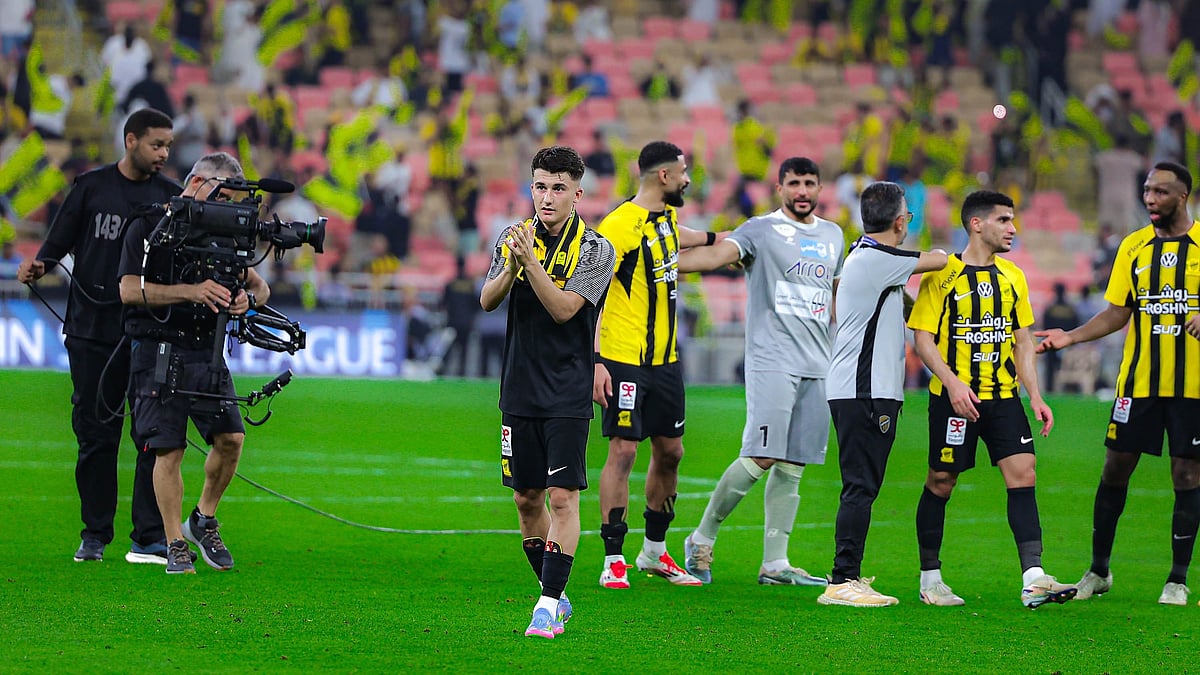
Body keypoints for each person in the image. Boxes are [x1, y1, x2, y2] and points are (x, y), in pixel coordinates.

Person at [16, 108, 179, 564]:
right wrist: (39, 265)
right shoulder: (90, 188)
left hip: (149, 331)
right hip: (91, 331)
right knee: (95, 434)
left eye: (168, 145)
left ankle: (147, 535)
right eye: (156, 144)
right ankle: (95, 533)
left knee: (153, 435)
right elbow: (56, 244)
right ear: (130, 140)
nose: (165, 153)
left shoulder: (171, 198)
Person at [675, 157, 844, 587]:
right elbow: (718, 255)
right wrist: (665, 263)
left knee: (793, 463)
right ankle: (701, 538)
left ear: (820, 188)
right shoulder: (760, 229)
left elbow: (836, 291)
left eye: (809, 183)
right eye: (794, 183)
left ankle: (775, 563)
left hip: (817, 362)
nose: (802, 191)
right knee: (762, 454)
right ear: (780, 187)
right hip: (773, 359)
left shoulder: (833, 235)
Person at [1036, 162, 1200, 606]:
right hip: (1138, 383)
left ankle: (1177, 579)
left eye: (1161, 192)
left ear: (1182, 197)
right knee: (1115, 466)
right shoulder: (1133, 247)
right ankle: (1099, 569)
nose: (1150, 198)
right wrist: (1068, 337)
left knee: (1186, 472)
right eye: (1147, 190)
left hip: (1193, 386)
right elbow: (1118, 311)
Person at [905, 190, 1076, 608]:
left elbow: (1021, 341)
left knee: (1024, 473)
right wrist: (951, 383)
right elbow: (923, 339)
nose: (1012, 228)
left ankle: (1034, 578)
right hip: (954, 400)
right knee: (941, 482)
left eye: (1013, 220)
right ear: (976, 224)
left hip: (1002, 399)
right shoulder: (943, 274)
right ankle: (931, 579)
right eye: (1004, 220)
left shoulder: (1013, 276)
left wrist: (1034, 395)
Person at [481, 146, 615, 638]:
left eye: (558, 188)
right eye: (540, 186)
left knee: (562, 498)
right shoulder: (511, 237)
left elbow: (564, 310)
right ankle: (554, 592)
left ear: (577, 194)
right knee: (526, 499)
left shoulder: (598, 250)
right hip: (518, 387)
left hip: (567, 389)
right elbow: (487, 299)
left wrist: (530, 264)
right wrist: (512, 266)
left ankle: (547, 603)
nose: (547, 196)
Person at [117, 152, 270, 575]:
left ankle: (203, 518)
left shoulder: (225, 233)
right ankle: (173, 542)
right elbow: (129, 290)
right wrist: (192, 291)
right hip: (158, 347)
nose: (230, 208)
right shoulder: (148, 223)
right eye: (226, 196)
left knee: (231, 440)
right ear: (200, 182)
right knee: (169, 449)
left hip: (207, 349)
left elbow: (261, 286)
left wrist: (246, 300)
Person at [593, 141, 721, 589]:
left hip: (666, 361)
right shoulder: (618, 226)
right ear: (664, 176)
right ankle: (613, 558)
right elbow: (590, 292)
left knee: (671, 452)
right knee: (624, 450)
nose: (688, 179)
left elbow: (674, 238)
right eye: (683, 172)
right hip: (624, 358)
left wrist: (717, 239)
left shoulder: (664, 217)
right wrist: (595, 361)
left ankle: (655, 551)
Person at [821, 182, 948, 607]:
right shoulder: (879, 258)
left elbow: (901, 303)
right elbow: (941, 260)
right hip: (865, 390)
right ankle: (842, 580)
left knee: (862, 485)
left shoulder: (869, 260)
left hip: (863, 390)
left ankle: (848, 575)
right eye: (908, 216)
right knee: (860, 486)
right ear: (899, 221)